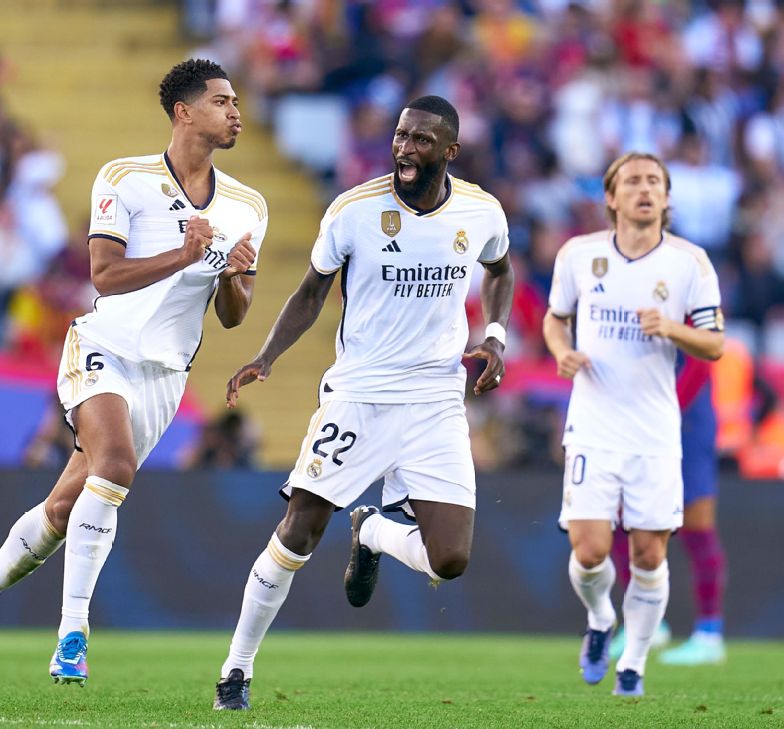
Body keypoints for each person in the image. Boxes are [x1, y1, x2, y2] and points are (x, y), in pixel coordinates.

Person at [0, 59, 267, 686]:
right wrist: (182, 254)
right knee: (115, 466)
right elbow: (103, 275)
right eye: (222, 101)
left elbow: (235, 316)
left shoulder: (248, 206)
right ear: (184, 112)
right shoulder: (125, 179)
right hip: (103, 344)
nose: (236, 111)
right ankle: (73, 633)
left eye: (236, 101)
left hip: (166, 374)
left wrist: (230, 274)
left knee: (63, 508)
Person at [212, 95, 513, 711]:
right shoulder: (354, 210)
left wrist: (496, 335)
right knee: (298, 532)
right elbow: (311, 290)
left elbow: (501, 270)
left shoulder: (480, 211)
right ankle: (235, 670)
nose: (405, 148)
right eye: (401, 137)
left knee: (449, 561)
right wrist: (267, 356)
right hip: (359, 395)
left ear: (449, 152)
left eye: (422, 141)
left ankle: (372, 529)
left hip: (435, 399)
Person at [543, 152, 724, 698]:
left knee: (650, 553)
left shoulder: (690, 264)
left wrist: (672, 328)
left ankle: (635, 663)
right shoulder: (579, 255)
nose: (644, 189)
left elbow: (715, 343)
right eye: (632, 181)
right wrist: (560, 350)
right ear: (611, 197)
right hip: (593, 425)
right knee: (590, 550)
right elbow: (556, 316)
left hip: (654, 430)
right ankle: (601, 618)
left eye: (654, 182)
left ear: (667, 199)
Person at [608, 353, 727, 665]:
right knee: (623, 516)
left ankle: (709, 633)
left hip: (686, 414)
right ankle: (646, 624)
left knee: (696, 522)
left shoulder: (687, 305)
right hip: (638, 412)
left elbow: (701, 357)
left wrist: (669, 409)